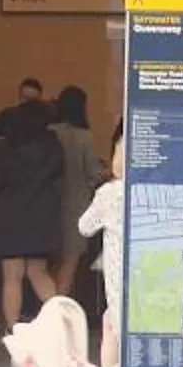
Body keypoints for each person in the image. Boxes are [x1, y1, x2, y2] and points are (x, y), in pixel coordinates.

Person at [0, 92, 66, 331]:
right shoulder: (53, 146)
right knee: (38, 272)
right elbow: (58, 174)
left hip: (10, 215)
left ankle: (12, 329)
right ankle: (63, 324)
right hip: (41, 213)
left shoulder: (5, 149)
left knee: (12, 276)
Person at [49, 83, 110, 301]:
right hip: (76, 205)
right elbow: (93, 171)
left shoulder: (50, 132)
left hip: (50, 204)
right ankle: (58, 315)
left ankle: (48, 308)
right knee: (70, 263)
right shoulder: (84, 136)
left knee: (54, 264)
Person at [78, 133, 125, 367]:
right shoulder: (155, 191)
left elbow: (85, 226)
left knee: (113, 322)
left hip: (119, 270)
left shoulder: (109, 192)